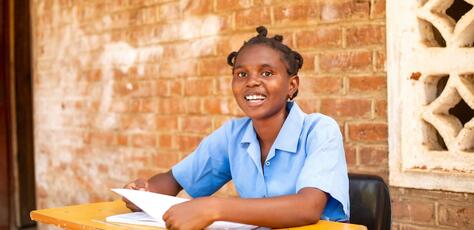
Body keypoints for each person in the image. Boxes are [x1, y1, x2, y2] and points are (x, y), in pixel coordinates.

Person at [123, 26, 349, 230]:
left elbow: (306, 209)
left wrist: (214, 208)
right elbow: (173, 180)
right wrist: (145, 192)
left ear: (292, 85)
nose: (252, 81)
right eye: (242, 74)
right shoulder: (233, 135)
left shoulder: (319, 130)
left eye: (267, 73)